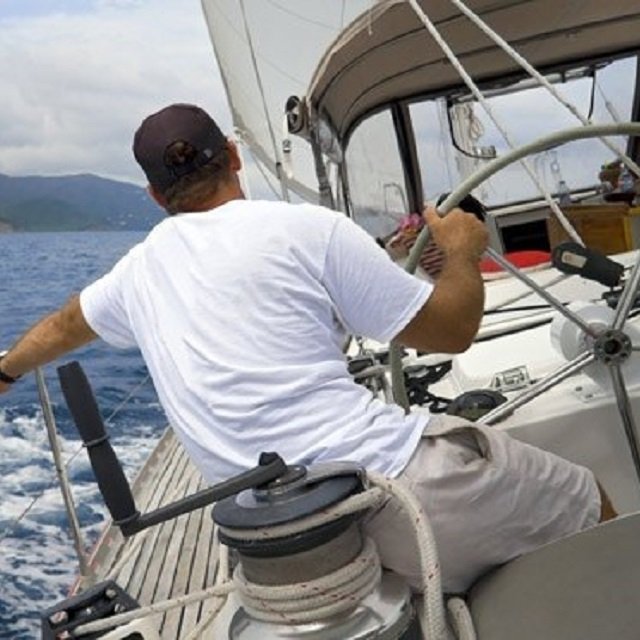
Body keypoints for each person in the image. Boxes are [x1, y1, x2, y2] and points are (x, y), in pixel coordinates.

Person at [0, 103, 614, 594]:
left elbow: (61, 325)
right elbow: (452, 331)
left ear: (157, 198)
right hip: (389, 485)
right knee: (591, 501)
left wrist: (5, 372)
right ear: (235, 156)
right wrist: (462, 252)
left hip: (271, 534)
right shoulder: (308, 228)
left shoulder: (135, 272)